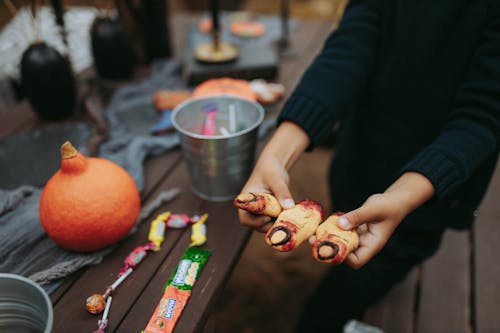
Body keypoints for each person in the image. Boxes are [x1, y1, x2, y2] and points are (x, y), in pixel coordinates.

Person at [236, 0, 500, 331]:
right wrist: (276, 154)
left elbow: (484, 114)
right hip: (359, 158)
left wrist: (402, 198)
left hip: (426, 201)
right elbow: (349, 47)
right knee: (344, 229)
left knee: (330, 310)